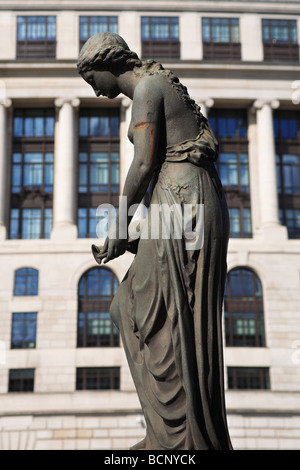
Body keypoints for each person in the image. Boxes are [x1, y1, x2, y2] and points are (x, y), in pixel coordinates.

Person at [77, 32, 233, 450]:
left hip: (183, 201)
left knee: (137, 308)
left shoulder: (146, 87)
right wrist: (134, 232)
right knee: (137, 309)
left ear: (107, 64)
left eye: (91, 76)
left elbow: (145, 162)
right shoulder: (157, 83)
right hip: (184, 200)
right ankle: (171, 431)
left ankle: (175, 437)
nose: (93, 87)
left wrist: (118, 224)